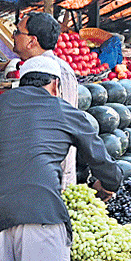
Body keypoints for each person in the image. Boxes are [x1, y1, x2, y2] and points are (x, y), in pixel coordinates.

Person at [0, 54, 122, 261]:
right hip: (42, 213)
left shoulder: (0, 106)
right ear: (56, 85)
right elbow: (102, 161)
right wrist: (108, 185)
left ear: (21, 82)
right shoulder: (63, 109)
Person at [14, 11, 80, 186]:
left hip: (53, 172)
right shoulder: (32, 70)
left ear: (32, 41)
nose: (14, 36)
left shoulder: (57, 73)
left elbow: (62, 124)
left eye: (17, 32)